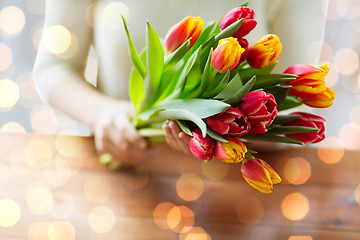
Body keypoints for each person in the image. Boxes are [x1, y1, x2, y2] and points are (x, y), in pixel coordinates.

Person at [33, 0, 324, 165]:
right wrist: (104, 115)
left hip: (235, 192)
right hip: (121, 174)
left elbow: (290, 111)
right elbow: (53, 68)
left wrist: (213, 134)